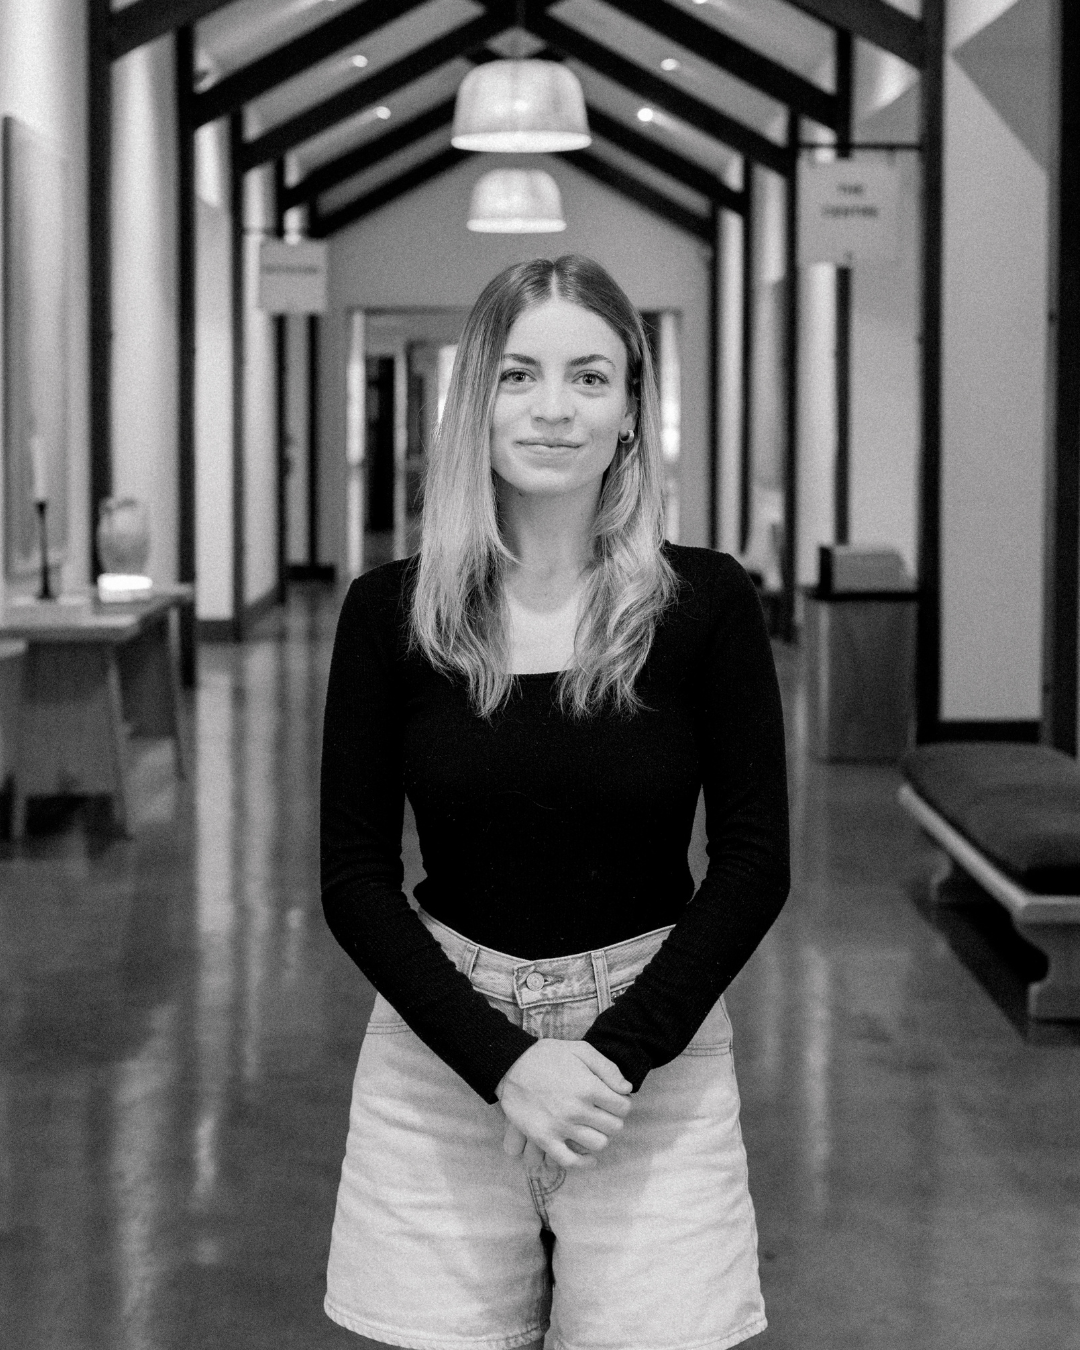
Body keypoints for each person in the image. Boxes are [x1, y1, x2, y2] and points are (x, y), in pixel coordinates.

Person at [320, 254, 790, 1350]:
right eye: (520, 375)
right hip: (439, 1051)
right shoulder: (389, 611)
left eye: (590, 378)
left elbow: (755, 857)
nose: (553, 409)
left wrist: (612, 1057)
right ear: (475, 399)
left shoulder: (706, 602)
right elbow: (352, 875)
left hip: (652, 1058)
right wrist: (504, 1062)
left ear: (632, 412)